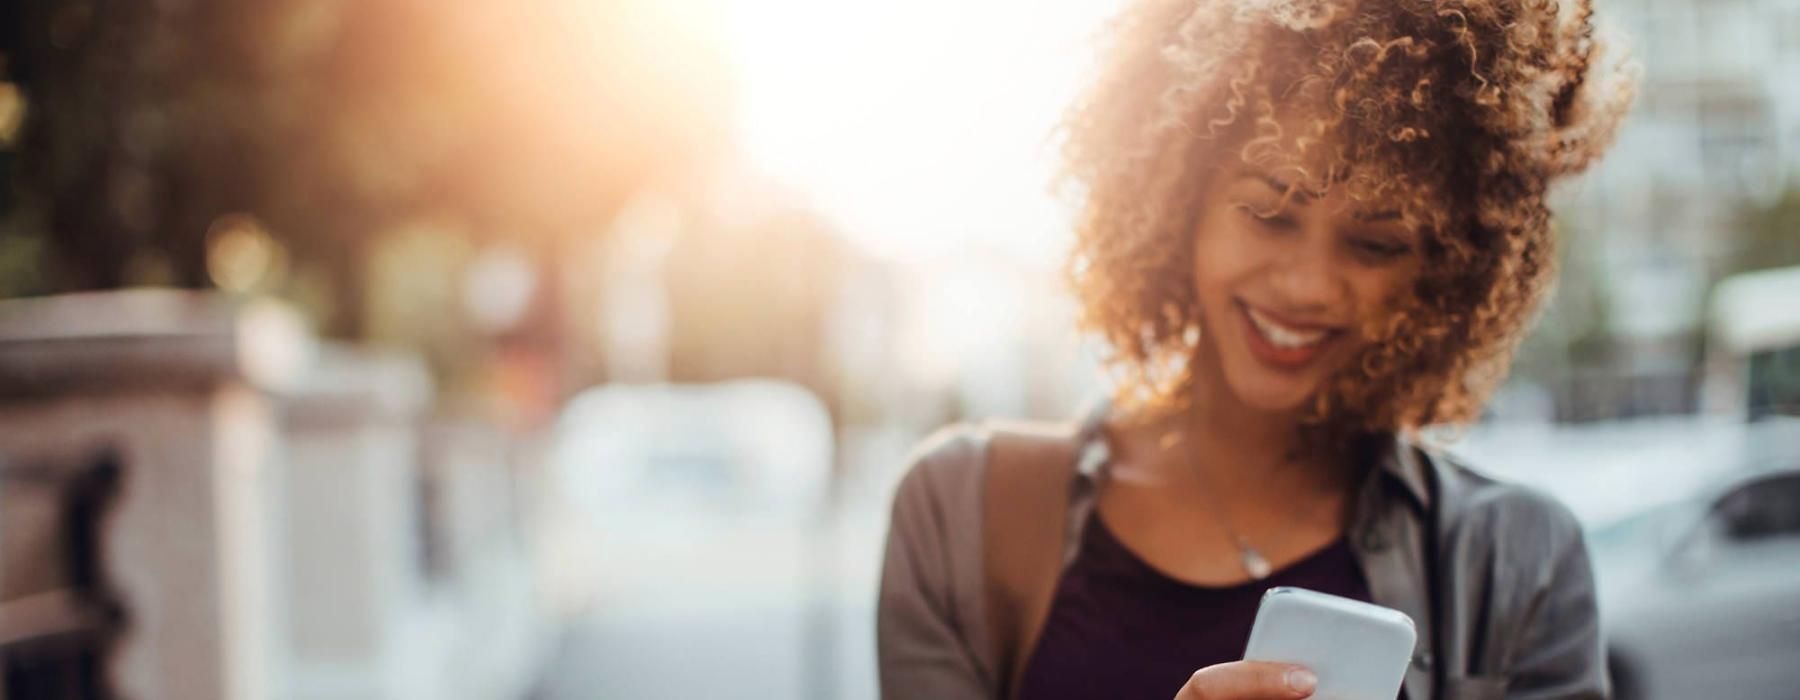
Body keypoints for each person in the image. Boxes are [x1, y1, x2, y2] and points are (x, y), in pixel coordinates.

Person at [876, 0, 1636, 698]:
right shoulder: (963, 513)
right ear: (1178, 198)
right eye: (1269, 212)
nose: (1308, 285)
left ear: (1444, 272)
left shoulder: (1520, 564)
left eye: (1375, 243)